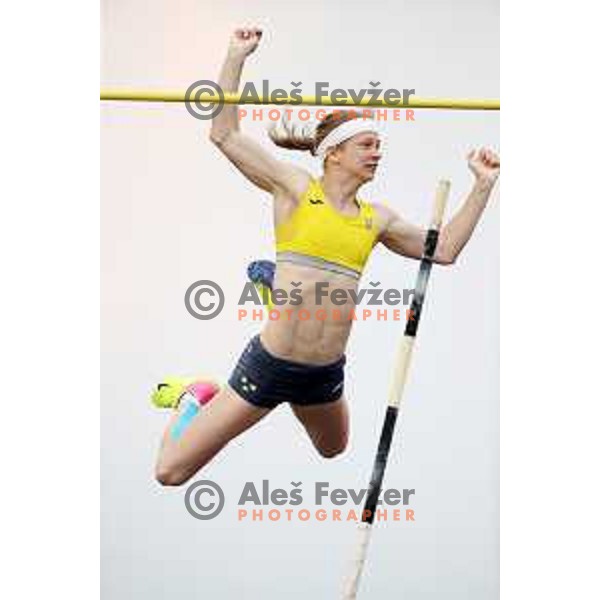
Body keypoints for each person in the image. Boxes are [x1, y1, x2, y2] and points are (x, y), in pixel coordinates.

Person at [153, 28, 500, 486]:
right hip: (271, 364)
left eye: (379, 145)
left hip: (323, 374)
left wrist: (482, 186)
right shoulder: (296, 189)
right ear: (333, 153)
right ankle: (195, 399)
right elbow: (224, 133)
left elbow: (446, 250)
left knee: (333, 449)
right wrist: (236, 56)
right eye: (367, 145)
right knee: (170, 472)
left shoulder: (377, 219)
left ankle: (274, 286)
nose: (378, 153)